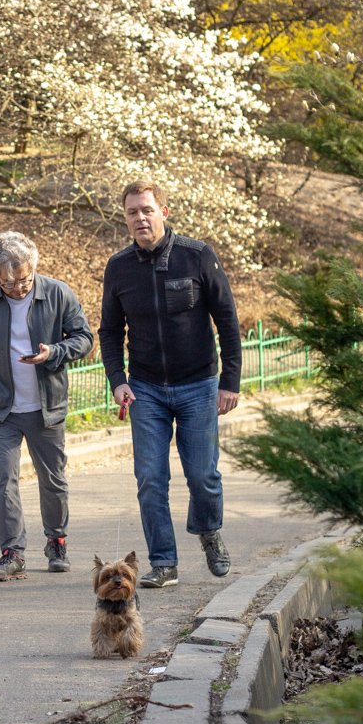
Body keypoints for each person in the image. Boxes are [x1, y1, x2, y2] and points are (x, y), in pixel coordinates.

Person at [98, 179, 242, 588]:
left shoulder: (197, 257)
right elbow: (109, 331)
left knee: (202, 477)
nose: (140, 218)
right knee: (150, 479)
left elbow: (228, 321)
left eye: (147, 209)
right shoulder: (119, 267)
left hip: (198, 385)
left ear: (163, 210)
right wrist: (118, 381)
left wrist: (228, 381)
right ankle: (164, 562)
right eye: (132, 212)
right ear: (124, 219)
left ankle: (209, 531)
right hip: (145, 390)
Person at [0, 231, 95, 581]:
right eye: (7, 282)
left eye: (24, 280)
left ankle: (56, 541)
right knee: (5, 479)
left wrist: (54, 353)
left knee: (54, 479)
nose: (17, 288)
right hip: (0, 409)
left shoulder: (58, 293)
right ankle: (12, 552)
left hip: (47, 408)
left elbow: (85, 338)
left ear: (34, 269)